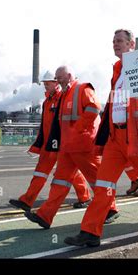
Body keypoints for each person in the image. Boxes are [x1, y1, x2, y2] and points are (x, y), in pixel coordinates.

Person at [64, 29, 138, 247]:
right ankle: (90, 232)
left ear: (132, 45)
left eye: (119, 41)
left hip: (135, 136)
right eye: (113, 41)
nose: (115, 44)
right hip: (115, 138)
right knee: (103, 184)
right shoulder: (117, 69)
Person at [24, 66, 118, 229]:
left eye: (59, 77)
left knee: (97, 180)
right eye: (56, 77)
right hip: (68, 147)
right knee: (59, 181)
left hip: (84, 146)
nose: (57, 80)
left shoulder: (83, 88)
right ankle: (45, 216)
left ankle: (111, 209)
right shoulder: (65, 94)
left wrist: (78, 128)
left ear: (68, 75)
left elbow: (94, 107)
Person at [9, 71, 92, 211]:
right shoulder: (47, 101)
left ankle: (84, 197)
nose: (45, 86)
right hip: (49, 144)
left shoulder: (63, 97)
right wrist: (40, 142)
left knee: (72, 172)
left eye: (48, 83)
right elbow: (44, 124)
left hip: (61, 143)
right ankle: (27, 200)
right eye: (44, 83)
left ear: (56, 83)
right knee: (40, 172)